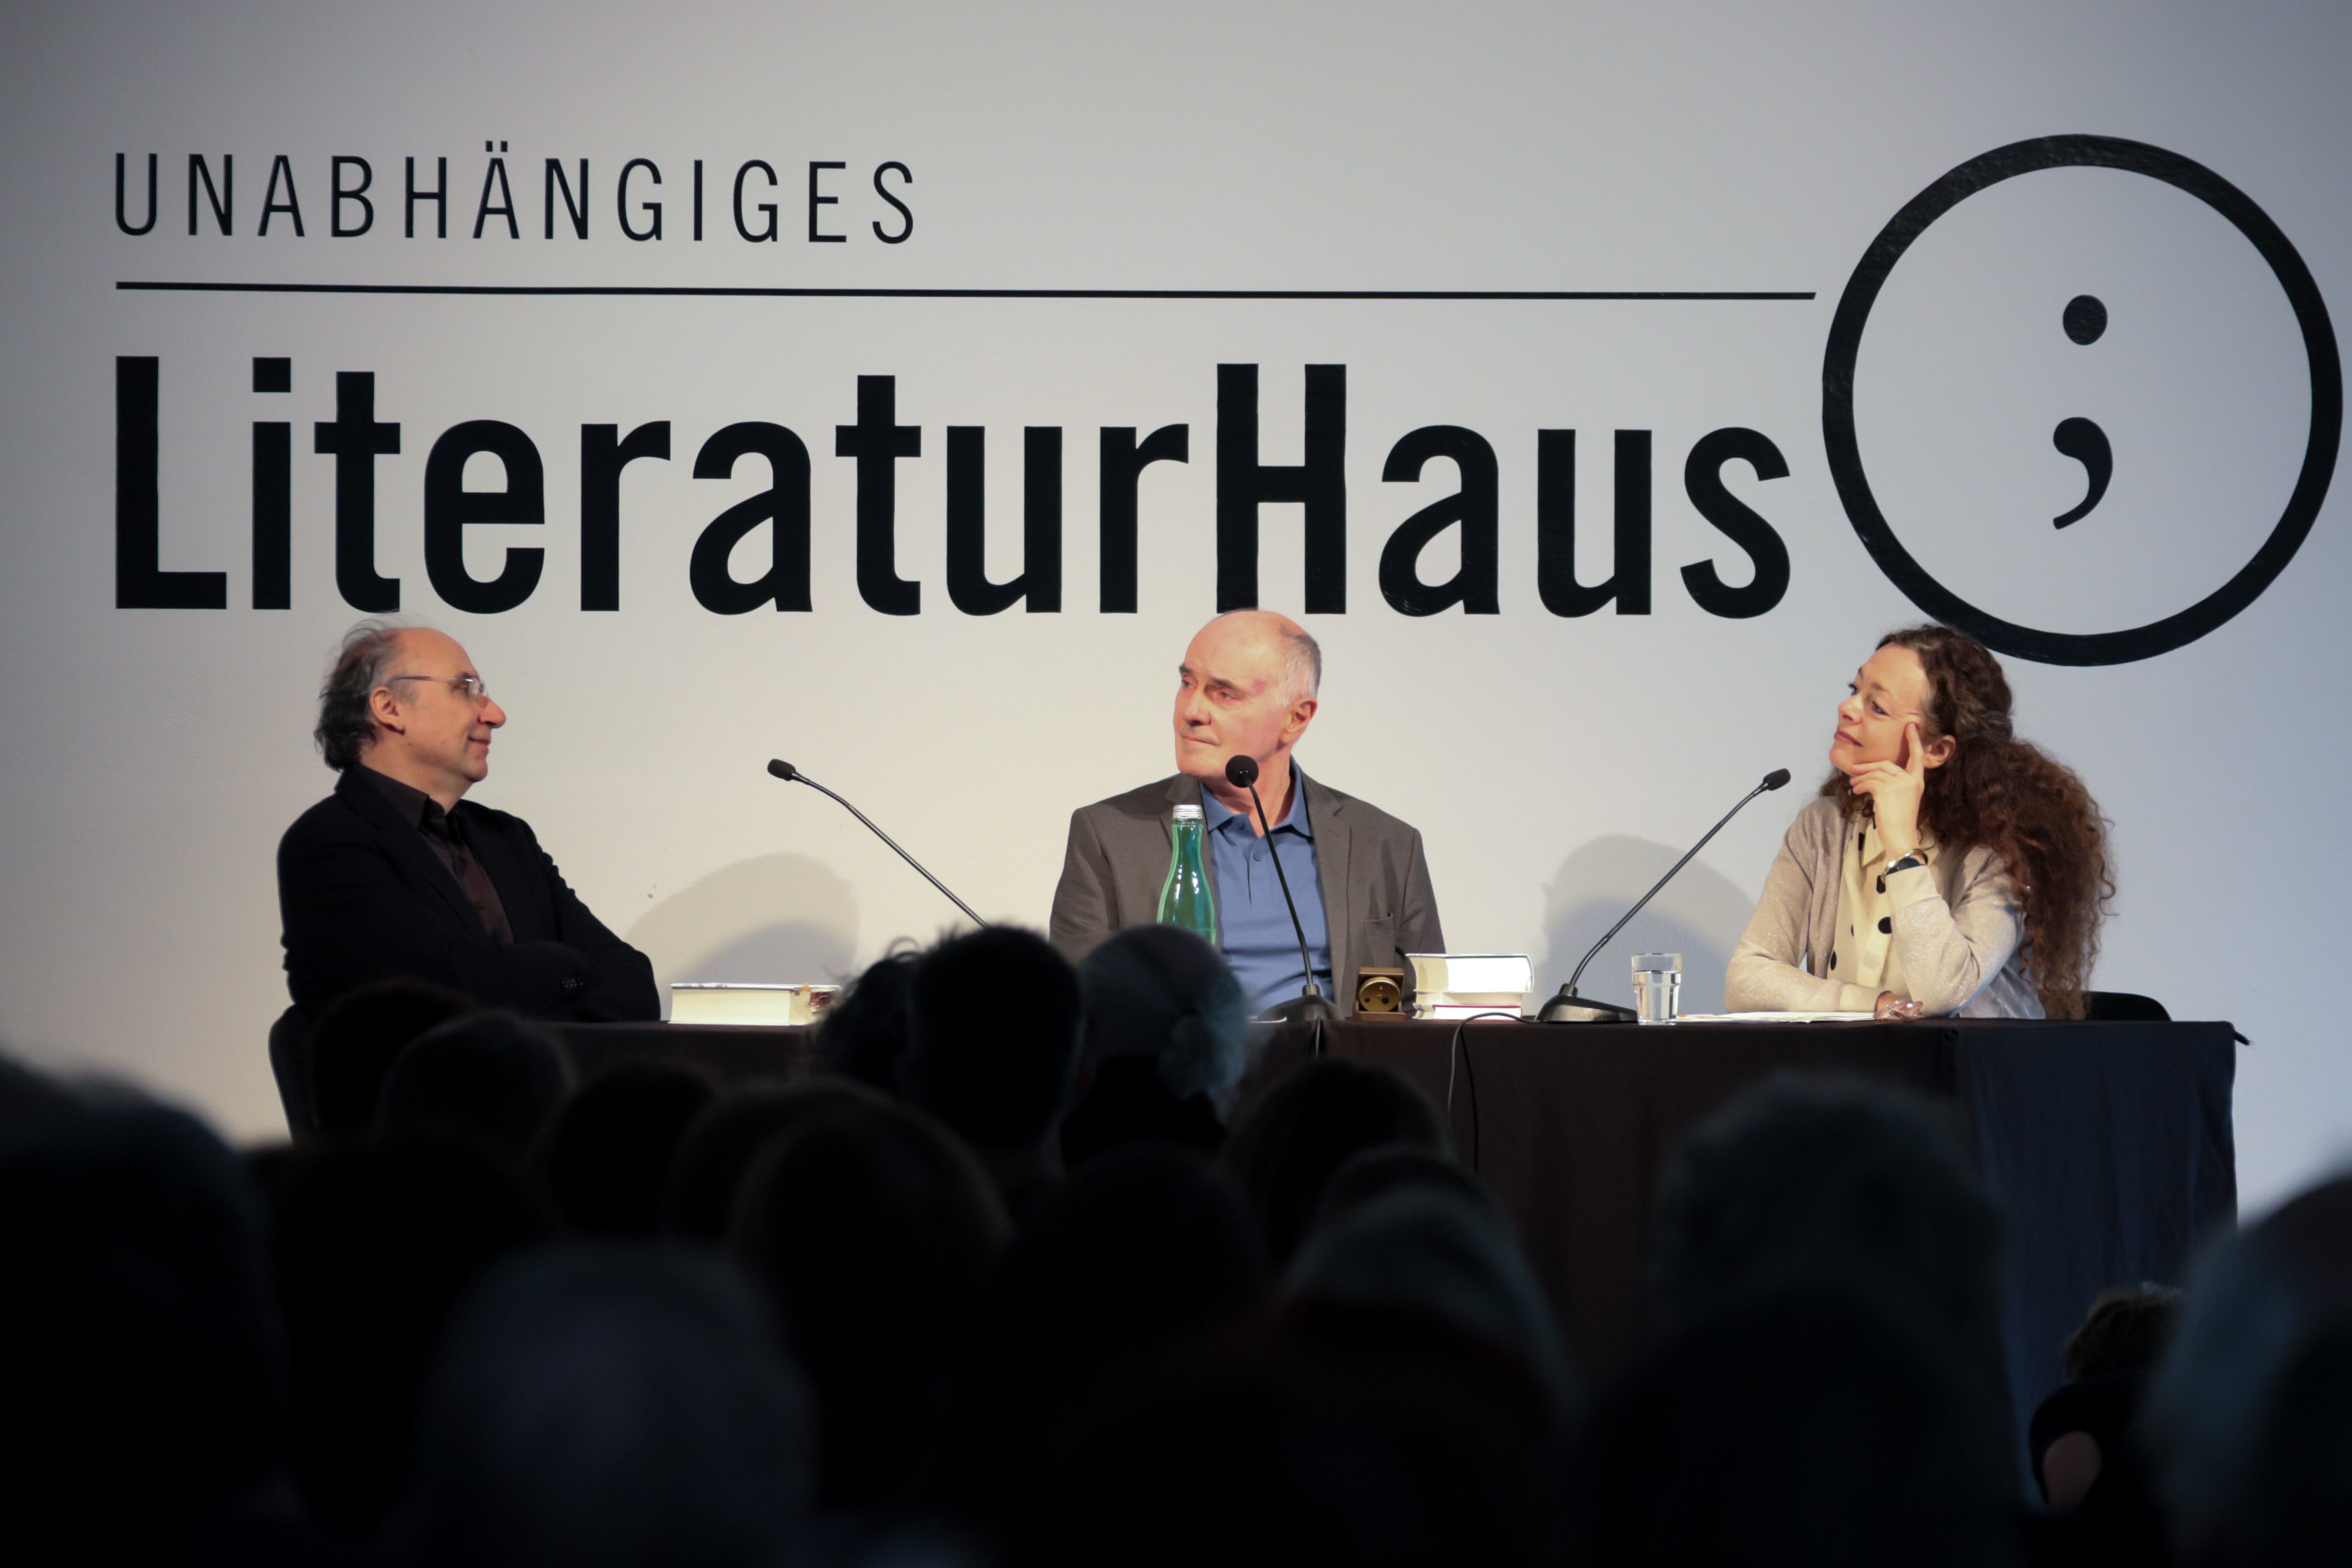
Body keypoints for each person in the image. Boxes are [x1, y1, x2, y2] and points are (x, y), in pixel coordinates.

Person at [1049, 610, 1443, 1017]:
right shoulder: (1111, 835)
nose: (1192, 711)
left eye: (1224, 694)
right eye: (1187, 683)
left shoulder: (1385, 844)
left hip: (1332, 1057)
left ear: (1296, 718)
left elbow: (1427, 1008)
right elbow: (1078, 1004)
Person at [277, 621, 658, 1025]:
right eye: (464, 689)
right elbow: (449, 989)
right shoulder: (331, 842)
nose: (496, 715)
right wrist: (569, 968)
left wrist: (549, 1009)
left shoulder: (506, 838)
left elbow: (631, 979)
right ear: (389, 708)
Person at [1725, 624, 2111, 1019]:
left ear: (1937, 749)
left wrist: (1902, 849)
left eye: (1877, 707)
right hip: (1856, 1058)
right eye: (1854, 689)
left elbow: (1941, 993)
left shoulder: (2000, 848)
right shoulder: (1823, 827)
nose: (1847, 708)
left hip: (1975, 1057)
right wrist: (1874, 1004)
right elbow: (1747, 978)